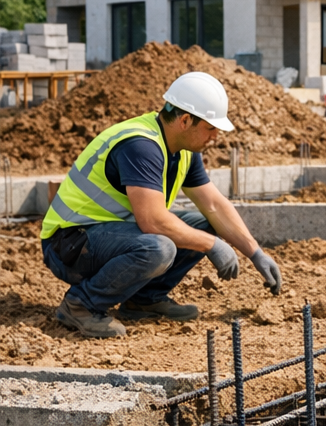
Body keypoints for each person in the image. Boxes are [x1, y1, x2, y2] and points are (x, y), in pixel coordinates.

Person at [40, 71, 283, 338]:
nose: (216, 136)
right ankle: (80, 305)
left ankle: (144, 300)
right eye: (211, 127)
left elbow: (213, 205)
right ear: (185, 120)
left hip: (107, 236)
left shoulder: (184, 151)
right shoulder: (140, 146)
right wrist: (212, 245)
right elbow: (152, 221)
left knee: (204, 224)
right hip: (69, 245)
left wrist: (255, 252)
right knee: (160, 246)